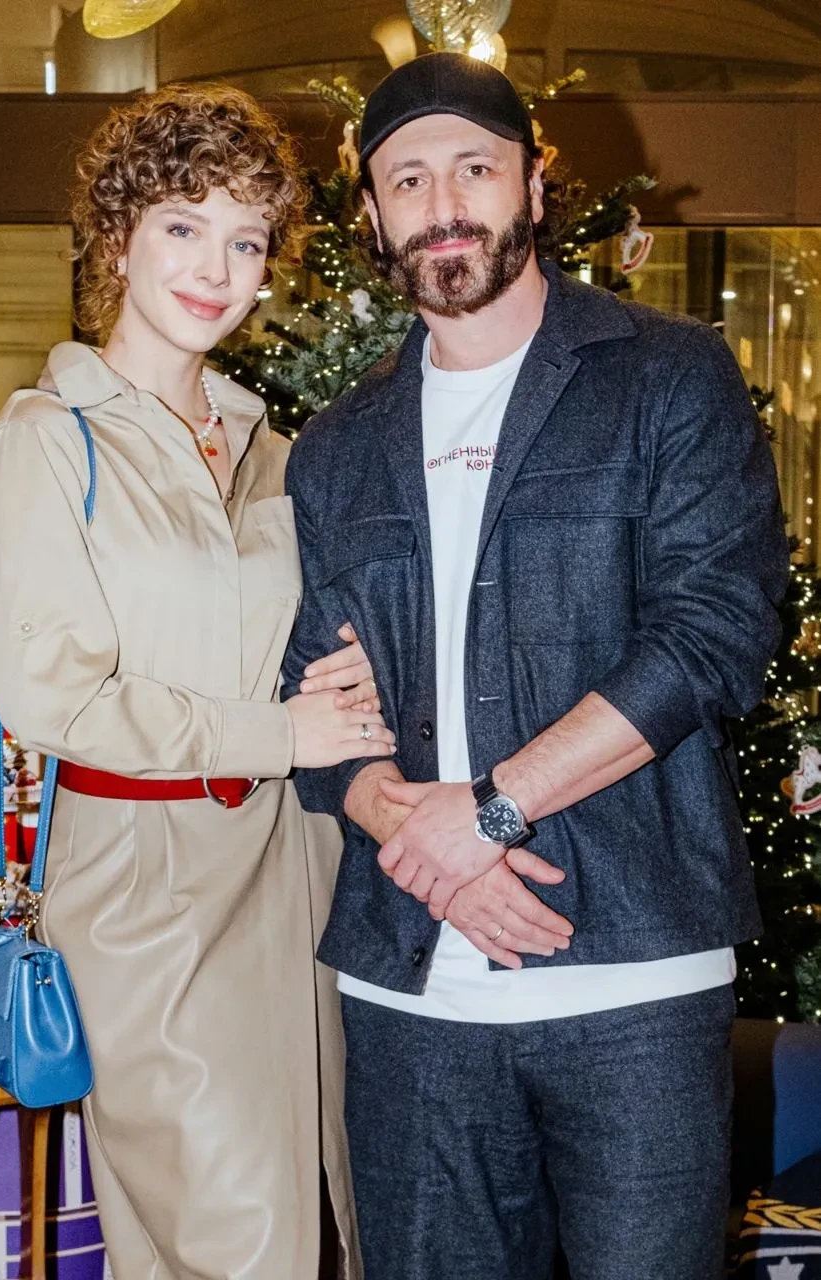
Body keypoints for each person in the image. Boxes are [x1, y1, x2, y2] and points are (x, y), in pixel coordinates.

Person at [282, 52, 790, 1280]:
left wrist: (490, 811)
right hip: (410, 999)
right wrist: (412, 828)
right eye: (407, 178)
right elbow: (311, 699)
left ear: (533, 185)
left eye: (474, 167)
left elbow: (713, 630)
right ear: (372, 215)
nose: (442, 202)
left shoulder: (665, 374)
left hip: (631, 981)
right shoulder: (334, 446)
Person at [0, 84, 394, 1280]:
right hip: (143, 884)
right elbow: (52, 694)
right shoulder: (47, 441)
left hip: (298, 870)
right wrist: (280, 733)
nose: (216, 267)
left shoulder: (275, 449)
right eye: (184, 225)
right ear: (117, 237)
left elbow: (303, 643)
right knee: (235, 1242)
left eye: (246, 239)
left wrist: (352, 668)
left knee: (322, 1229)